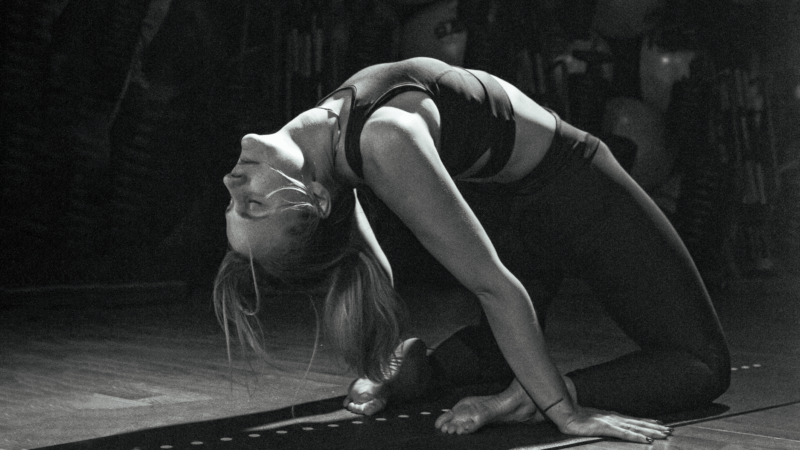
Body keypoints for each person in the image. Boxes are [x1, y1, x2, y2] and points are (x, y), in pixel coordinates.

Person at [214, 56, 730, 443]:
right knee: (701, 365)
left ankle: (427, 374)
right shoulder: (379, 140)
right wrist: (563, 411)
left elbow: (370, 266)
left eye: (233, 205)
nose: (232, 183)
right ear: (315, 200)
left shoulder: (330, 151)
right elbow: (495, 288)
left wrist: (378, 371)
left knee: (499, 353)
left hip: (522, 204)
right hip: (564, 190)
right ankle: (526, 398)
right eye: (253, 206)